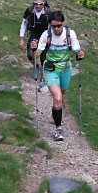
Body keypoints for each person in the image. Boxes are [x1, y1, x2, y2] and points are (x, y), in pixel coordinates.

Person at [34, 10, 85, 141]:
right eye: (53, 26)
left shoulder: (70, 34)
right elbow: (38, 51)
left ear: (63, 23)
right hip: (51, 68)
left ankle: (55, 113)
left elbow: (77, 49)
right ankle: (58, 129)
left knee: (61, 97)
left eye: (59, 25)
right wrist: (35, 49)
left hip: (66, 68)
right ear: (50, 25)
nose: (56, 29)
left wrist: (80, 54)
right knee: (57, 98)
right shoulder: (47, 34)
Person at [19, 0, 51, 75]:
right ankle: (37, 66)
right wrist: (21, 38)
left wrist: (50, 37)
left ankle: (44, 73)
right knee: (30, 53)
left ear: (44, 3)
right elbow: (24, 23)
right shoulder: (29, 11)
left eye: (40, 4)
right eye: (36, 3)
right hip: (33, 33)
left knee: (43, 53)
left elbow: (51, 26)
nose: (38, 6)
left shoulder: (48, 12)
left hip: (44, 34)